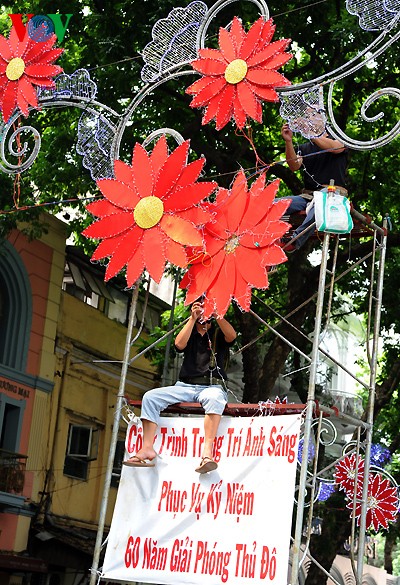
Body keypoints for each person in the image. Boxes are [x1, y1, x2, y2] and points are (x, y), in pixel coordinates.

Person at [123, 299, 237, 473]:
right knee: (150, 397)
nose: (202, 314)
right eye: (199, 307)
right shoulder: (189, 330)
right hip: (184, 386)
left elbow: (232, 336)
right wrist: (192, 319)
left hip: (211, 386)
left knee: (214, 398)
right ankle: (147, 448)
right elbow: (179, 344)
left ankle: (207, 453)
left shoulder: (217, 332)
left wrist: (216, 314)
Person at [280, 123, 348, 250]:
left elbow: (335, 148)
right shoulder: (305, 147)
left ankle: (295, 240)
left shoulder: (339, 138)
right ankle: (262, 237)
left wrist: (310, 133)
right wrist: (288, 141)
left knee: (320, 202)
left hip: (331, 193)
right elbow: (294, 165)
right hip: (309, 196)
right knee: (274, 204)